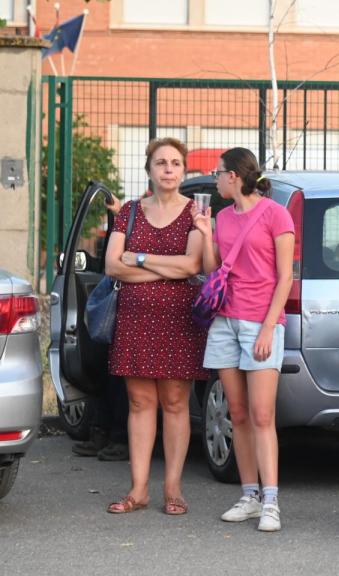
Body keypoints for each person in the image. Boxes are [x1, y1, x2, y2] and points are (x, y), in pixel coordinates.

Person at [193, 148, 295, 532]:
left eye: (218, 173)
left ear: (233, 176)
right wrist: (206, 235)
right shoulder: (222, 217)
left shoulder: (276, 214)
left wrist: (269, 327)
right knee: (236, 414)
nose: (215, 178)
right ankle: (249, 495)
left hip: (261, 323)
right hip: (225, 321)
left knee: (262, 414)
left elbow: (285, 277)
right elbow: (213, 270)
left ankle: (271, 501)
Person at [103, 137, 206, 515]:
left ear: (183, 171)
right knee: (139, 402)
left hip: (178, 321)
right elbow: (112, 265)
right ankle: (139, 489)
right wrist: (167, 270)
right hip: (135, 320)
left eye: (175, 163)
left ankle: (173, 488)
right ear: (149, 169)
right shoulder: (129, 211)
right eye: (161, 162)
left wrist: (140, 259)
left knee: (175, 403)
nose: (168, 169)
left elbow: (192, 265)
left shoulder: (195, 212)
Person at [72, 197, 131, 463]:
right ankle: (101, 431)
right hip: (116, 305)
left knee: (120, 378)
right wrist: (119, 214)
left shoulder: (168, 216)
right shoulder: (136, 213)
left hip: (137, 311)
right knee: (101, 367)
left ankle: (119, 437)